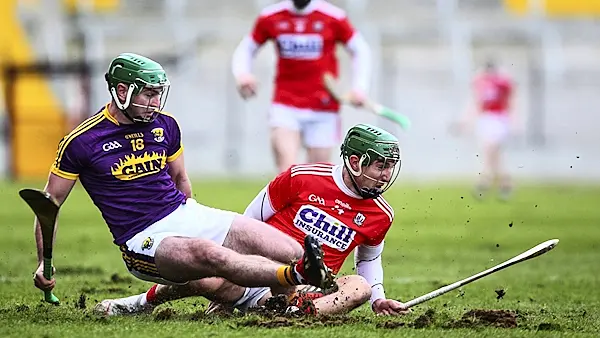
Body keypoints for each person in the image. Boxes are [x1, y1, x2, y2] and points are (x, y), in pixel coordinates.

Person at [32, 52, 336, 306]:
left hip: (184, 212)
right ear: (122, 91)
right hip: (142, 238)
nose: (155, 103)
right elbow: (50, 204)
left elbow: (180, 178)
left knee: (289, 249)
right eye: (148, 94)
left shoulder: (165, 125)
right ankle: (299, 275)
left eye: (158, 94)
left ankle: (283, 307)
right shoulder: (82, 141)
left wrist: (195, 218)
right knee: (211, 255)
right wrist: (42, 262)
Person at [96, 123, 411, 317]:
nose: (385, 175)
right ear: (355, 162)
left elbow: (369, 262)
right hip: (256, 274)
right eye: (379, 166)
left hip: (305, 292)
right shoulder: (301, 177)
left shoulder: (381, 214)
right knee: (203, 275)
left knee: (358, 287)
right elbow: (246, 224)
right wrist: (236, 270)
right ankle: (137, 303)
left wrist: (378, 300)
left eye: (390, 166)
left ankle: (295, 315)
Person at [232, 0, 371, 173]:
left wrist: (360, 88)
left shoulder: (334, 17)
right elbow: (246, 48)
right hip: (285, 104)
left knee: (318, 175)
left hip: (323, 107)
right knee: (287, 171)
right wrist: (243, 74)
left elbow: (360, 50)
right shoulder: (271, 16)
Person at [457, 59, 517, 200]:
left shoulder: (501, 83)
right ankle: (503, 184)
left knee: (490, 152)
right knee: (494, 155)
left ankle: (484, 182)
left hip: (498, 119)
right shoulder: (482, 83)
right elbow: (476, 103)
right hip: (488, 119)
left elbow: (511, 100)